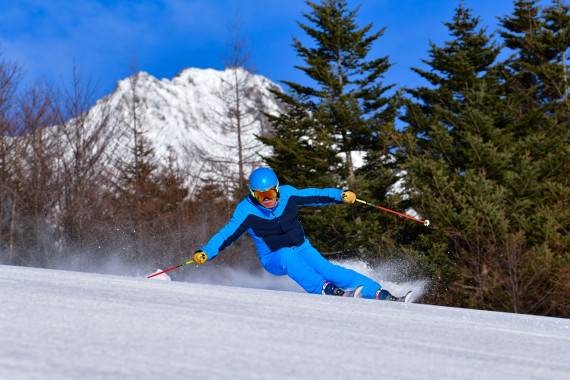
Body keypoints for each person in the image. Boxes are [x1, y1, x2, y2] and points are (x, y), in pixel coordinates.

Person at [192, 167, 411, 302]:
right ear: (252, 195)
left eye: (269, 194)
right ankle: (324, 289)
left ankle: (379, 292)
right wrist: (206, 252)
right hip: (274, 258)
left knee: (329, 269)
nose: (266, 200)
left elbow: (315, 194)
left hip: (303, 247)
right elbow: (226, 235)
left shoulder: (288, 195)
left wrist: (340, 195)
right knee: (287, 254)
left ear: (277, 189)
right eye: (260, 196)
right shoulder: (246, 211)